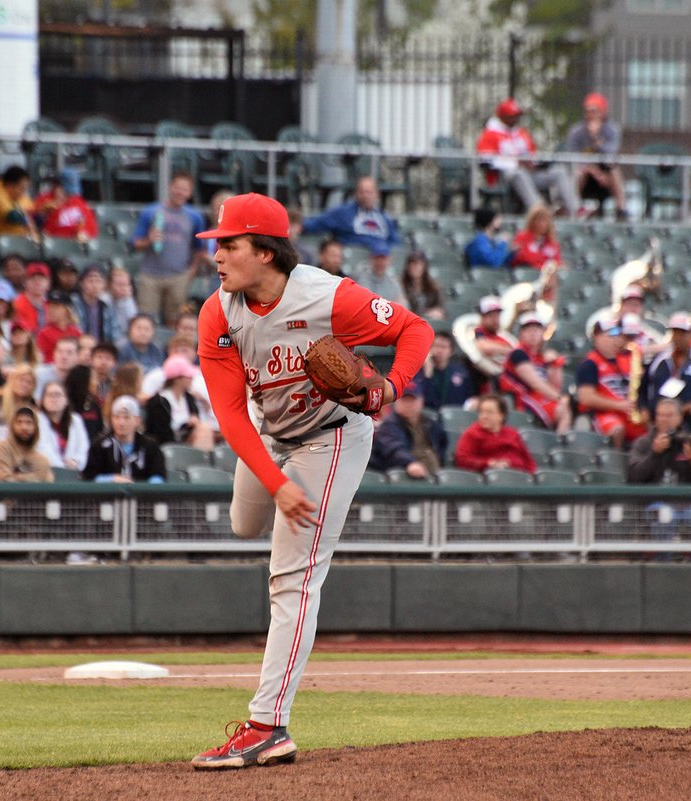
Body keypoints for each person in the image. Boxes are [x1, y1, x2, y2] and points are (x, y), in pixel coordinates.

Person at [191, 192, 432, 769]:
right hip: (270, 434)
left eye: (230, 244)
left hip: (333, 437)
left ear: (267, 253)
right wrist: (277, 482)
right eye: (217, 244)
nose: (217, 255)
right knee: (244, 524)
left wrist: (392, 387)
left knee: (293, 579)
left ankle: (268, 725)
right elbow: (229, 414)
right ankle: (282, 494)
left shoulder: (329, 296)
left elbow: (415, 329)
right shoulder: (218, 313)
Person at [130, 172, 208, 326]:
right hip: (150, 276)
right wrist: (148, 240)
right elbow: (135, 244)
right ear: (170, 187)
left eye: (185, 189)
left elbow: (199, 248)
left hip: (178, 277)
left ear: (190, 192)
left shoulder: (195, 217)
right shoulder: (150, 212)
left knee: (174, 322)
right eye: (178, 187)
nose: (180, 192)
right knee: (146, 320)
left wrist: (192, 270)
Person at [476, 97, 577, 214]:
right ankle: (540, 211)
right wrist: (515, 163)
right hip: (503, 177)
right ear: (502, 116)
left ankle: (575, 210)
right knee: (519, 173)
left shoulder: (521, 133)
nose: (516, 118)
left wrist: (535, 163)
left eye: (517, 115)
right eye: (512, 115)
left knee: (559, 171)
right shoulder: (490, 134)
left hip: (530, 174)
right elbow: (485, 161)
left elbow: (532, 154)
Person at [641, 312, 691, 434]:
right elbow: (642, 390)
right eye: (675, 333)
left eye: (683, 333)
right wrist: (644, 409)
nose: (678, 337)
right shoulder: (658, 361)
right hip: (658, 429)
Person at [576, 317, 646, 449]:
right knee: (616, 429)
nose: (617, 341)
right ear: (597, 337)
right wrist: (618, 405)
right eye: (611, 336)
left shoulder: (628, 360)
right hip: (602, 413)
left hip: (628, 413)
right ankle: (613, 464)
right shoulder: (589, 364)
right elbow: (585, 398)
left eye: (619, 336)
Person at [499, 313, 572, 432]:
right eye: (528, 329)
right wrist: (559, 398)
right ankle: (559, 445)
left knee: (565, 407)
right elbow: (535, 383)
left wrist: (555, 365)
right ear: (521, 333)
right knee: (563, 409)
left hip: (539, 398)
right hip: (521, 399)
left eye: (537, 329)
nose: (533, 333)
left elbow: (556, 386)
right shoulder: (518, 353)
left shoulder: (541, 357)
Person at [301, 176, 402, 256]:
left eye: (369, 192)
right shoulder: (342, 213)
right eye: (362, 192)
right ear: (356, 193)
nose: (365, 196)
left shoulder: (385, 218)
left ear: (377, 194)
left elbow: (396, 245)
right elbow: (314, 224)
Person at [565, 92, 627, 218]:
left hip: (605, 176)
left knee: (615, 171)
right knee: (578, 172)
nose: (591, 115)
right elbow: (573, 157)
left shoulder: (612, 130)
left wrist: (596, 140)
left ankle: (621, 210)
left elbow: (611, 154)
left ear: (603, 113)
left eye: (595, 111)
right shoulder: (576, 132)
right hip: (586, 174)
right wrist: (595, 172)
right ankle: (575, 209)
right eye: (588, 111)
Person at [368, 381, 447, 478]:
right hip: (399, 478)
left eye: (412, 400)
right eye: (404, 400)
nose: (408, 405)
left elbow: (442, 445)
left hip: (432, 476)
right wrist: (410, 463)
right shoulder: (389, 425)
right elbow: (394, 449)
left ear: (421, 401)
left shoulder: (431, 424)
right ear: (396, 401)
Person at [81, 395, 166, 483]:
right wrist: (111, 479)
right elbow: (89, 476)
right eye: (117, 417)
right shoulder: (100, 446)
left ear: (137, 420)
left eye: (126, 418)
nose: (121, 423)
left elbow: (158, 475)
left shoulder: (150, 446)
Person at [626, 398, 691, 484]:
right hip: (650, 495)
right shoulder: (643, 442)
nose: (664, 420)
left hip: (681, 495)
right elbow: (633, 478)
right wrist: (655, 454)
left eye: (669, 415)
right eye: (660, 415)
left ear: (680, 417)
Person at [142, 355, 213, 450]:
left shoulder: (189, 398)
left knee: (204, 428)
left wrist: (192, 424)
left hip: (187, 443)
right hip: (166, 446)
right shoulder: (158, 402)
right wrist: (185, 426)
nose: (192, 378)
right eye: (188, 375)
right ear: (177, 379)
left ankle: (202, 461)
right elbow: (160, 433)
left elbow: (195, 419)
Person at [453, 394, 536, 473]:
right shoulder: (472, 434)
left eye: (489, 412)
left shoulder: (513, 433)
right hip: (492, 479)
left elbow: (528, 461)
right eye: (481, 412)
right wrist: (489, 464)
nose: (484, 416)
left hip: (520, 477)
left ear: (501, 415)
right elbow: (462, 460)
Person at [0, 406, 54, 483]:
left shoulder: (42, 461)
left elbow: (48, 487)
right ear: (11, 426)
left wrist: (19, 478)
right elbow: (0, 481)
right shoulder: (0, 449)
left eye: (29, 422)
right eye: (19, 422)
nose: (24, 427)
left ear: (36, 428)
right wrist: (30, 478)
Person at [35, 380, 89, 472]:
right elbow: (42, 448)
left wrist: (76, 461)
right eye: (49, 395)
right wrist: (63, 467)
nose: (54, 399)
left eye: (58, 395)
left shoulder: (76, 420)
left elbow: (83, 448)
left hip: (73, 473)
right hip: (46, 473)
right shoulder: (37, 420)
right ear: (42, 400)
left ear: (66, 400)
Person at [33, 168, 98, 241]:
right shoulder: (44, 200)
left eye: (71, 193)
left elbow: (91, 230)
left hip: (76, 244)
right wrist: (43, 213)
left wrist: (81, 232)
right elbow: (36, 224)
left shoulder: (78, 200)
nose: (71, 195)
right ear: (57, 186)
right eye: (67, 192)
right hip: (55, 243)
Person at [417, 331, 475, 411]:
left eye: (444, 347)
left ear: (451, 351)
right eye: (436, 346)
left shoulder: (461, 372)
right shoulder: (420, 370)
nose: (439, 350)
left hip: (455, 416)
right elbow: (422, 399)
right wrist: (428, 374)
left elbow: (470, 398)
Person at [0, 165, 36, 242]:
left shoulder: (22, 197)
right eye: (21, 188)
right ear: (10, 185)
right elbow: (12, 216)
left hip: (20, 241)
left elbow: (33, 214)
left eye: (25, 189)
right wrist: (28, 216)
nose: (23, 192)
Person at [71, 263, 117, 347]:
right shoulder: (73, 303)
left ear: (104, 285)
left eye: (98, 281)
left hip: (102, 349)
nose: (94, 285)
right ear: (82, 284)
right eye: (90, 281)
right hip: (79, 347)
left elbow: (115, 334)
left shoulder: (106, 307)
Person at [511, 204, 562, 270]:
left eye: (545, 221)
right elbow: (523, 257)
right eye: (539, 220)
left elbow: (556, 261)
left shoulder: (552, 241)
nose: (542, 224)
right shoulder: (522, 237)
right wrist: (544, 262)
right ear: (532, 221)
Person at [36, 292, 83, 363]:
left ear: (67, 310)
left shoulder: (76, 332)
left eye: (56, 307)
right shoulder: (44, 333)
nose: (51, 311)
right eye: (49, 307)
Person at [399, 250, 445, 321]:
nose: (412, 267)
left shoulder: (433, 287)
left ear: (424, 266)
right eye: (410, 264)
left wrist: (436, 312)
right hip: (408, 322)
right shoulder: (400, 285)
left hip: (428, 323)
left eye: (416, 264)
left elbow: (441, 310)